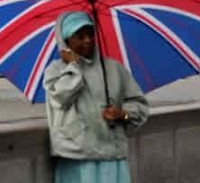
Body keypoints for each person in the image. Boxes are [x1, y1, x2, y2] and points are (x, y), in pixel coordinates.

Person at [43, 11, 149, 183]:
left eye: (91, 34)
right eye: (80, 35)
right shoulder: (55, 71)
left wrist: (122, 114)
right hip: (75, 158)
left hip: (112, 157)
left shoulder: (114, 69)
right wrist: (73, 67)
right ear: (66, 40)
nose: (87, 40)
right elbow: (61, 98)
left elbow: (140, 106)